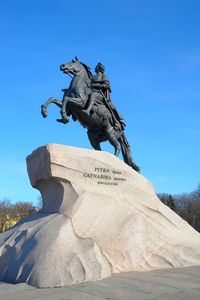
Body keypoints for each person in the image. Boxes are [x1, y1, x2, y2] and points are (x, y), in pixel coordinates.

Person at [84, 62, 125, 130]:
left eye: (96, 66)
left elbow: (106, 86)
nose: (95, 67)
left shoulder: (104, 76)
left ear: (100, 68)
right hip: (90, 93)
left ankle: (88, 110)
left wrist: (94, 85)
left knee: (93, 95)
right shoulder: (92, 77)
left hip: (99, 95)